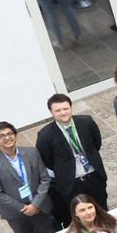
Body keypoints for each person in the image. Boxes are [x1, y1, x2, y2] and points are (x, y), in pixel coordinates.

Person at [37, 93, 108, 224]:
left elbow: (96, 144)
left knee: (102, 212)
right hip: (72, 183)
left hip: (94, 176)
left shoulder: (86, 122)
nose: (63, 113)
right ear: (51, 112)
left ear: (71, 107)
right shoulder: (45, 135)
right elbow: (47, 160)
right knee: (80, 220)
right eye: (58, 110)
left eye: (66, 108)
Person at [0, 121, 54, 233]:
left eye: (10, 133)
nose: (7, 137)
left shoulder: (32, 152)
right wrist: (22, 208)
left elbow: (45, 179)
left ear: (16, 135)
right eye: (1, 136)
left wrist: (35, 204)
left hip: (40, 207)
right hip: (16, 213)